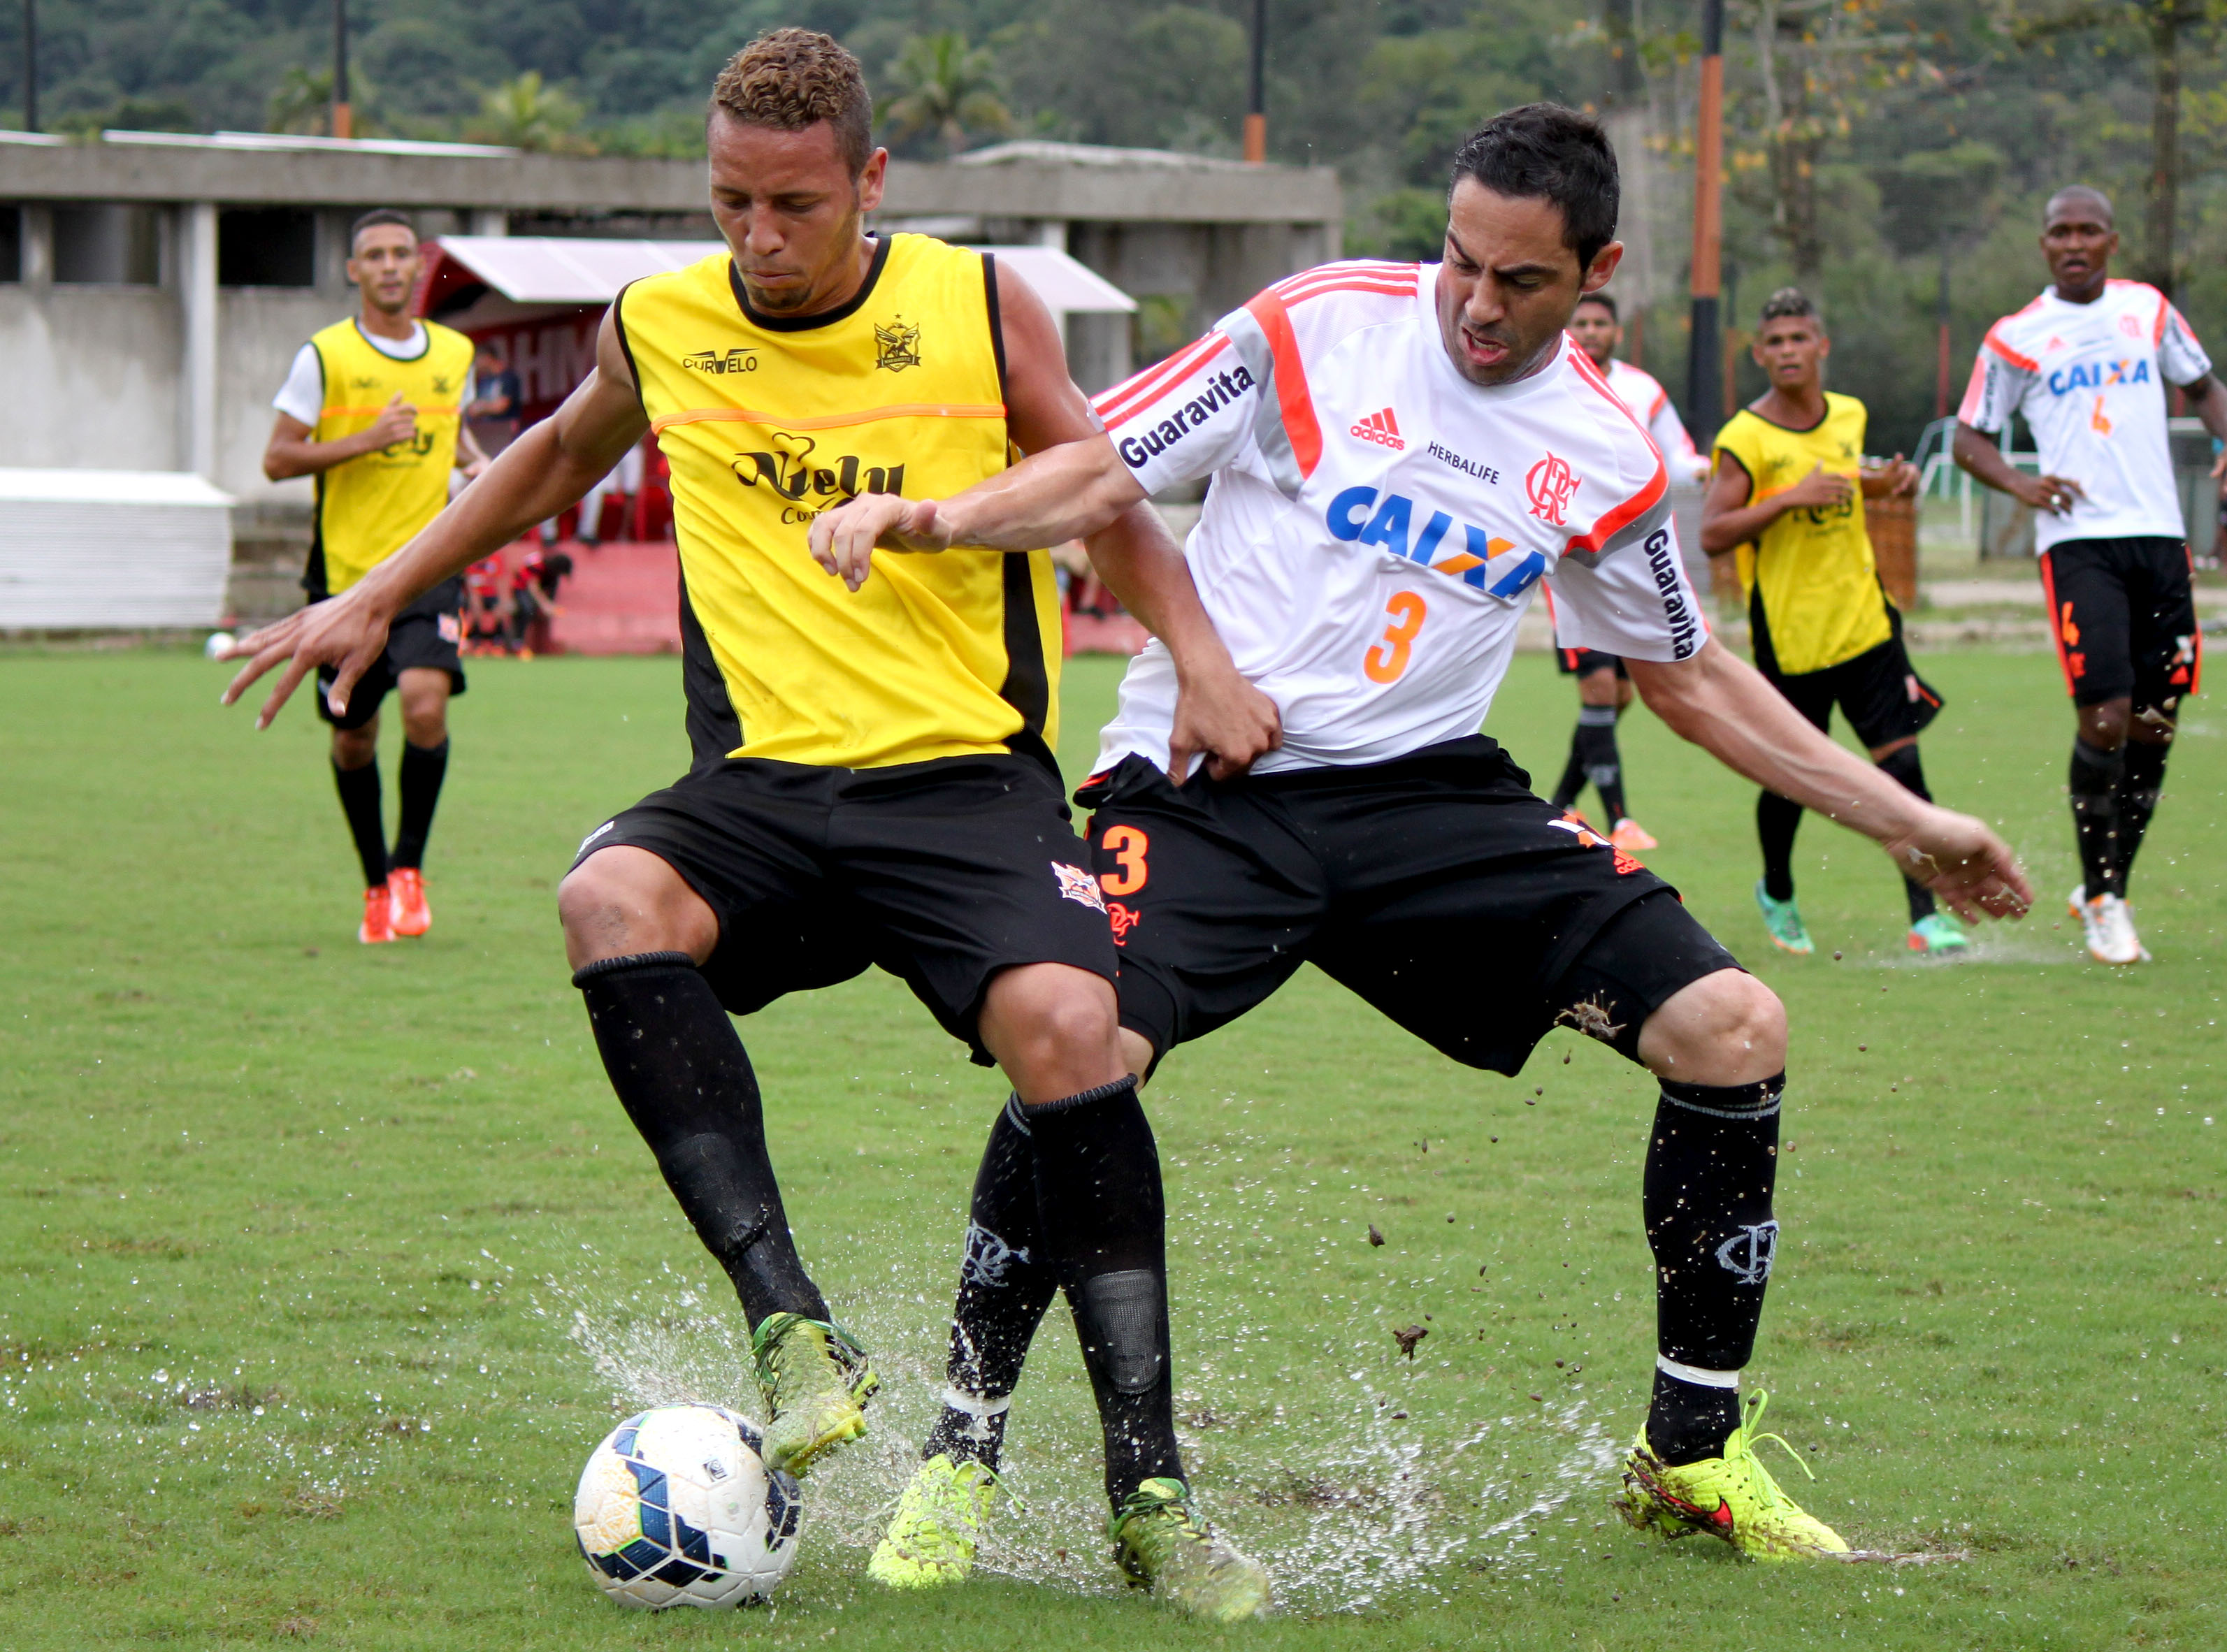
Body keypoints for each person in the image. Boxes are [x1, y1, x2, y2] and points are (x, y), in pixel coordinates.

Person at [812, 104, 2029, 1577]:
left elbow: (1690, 677)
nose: (1475, 303)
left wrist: (1913, 824)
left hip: (1430, 804)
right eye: (1460, 260)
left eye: (1521, 280)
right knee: (1080, 1044)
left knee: (1734, 1028)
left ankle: (1690, 1454)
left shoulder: (1610, 446)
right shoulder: (1314, 324)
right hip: (1207, 783)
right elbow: (1100, 470)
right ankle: (962, 1450)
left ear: (1596, 273)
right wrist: (945, 521)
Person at [220, 29, 1274, 1621]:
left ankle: (1151, 1493)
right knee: (607, 896)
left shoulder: (979, 304)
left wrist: (1198, 655)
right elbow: (551, 460)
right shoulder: (661, 321)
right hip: (763, 787)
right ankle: (792, 1325)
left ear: (871, 180)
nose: (759, 239)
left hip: (964, 778)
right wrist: (374, 592)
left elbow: (1094, 479)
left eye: (794, 205)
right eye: (731, 203)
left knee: (1074, 1031)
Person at [1952, 185, 2227, 964]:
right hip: (2080, 545)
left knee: (2155, 721)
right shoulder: (2015, 337)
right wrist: (2021, 484)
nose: (2074, 244)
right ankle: (2106, 899)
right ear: (2043, 245)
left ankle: (2107, 883)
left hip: (2161, 539)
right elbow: (1970, 438)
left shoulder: (2148, 310)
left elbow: (2204, 387)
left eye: (2088, 231)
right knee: (2105, 718)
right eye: (2060, 232)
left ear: (2112, 241)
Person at [1701, 289, 1968, 957]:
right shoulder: (1744, 438)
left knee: (1904, 772)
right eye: (1776, 342)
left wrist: (1887, 484)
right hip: (1792, 640)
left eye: (1800, 338)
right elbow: (1712, 533)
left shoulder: (1850, 413)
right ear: (1759, 355)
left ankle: (1926, 916)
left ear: (1822, 347)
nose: (1788, 351)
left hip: (1866, 625)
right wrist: (1789, 499)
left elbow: (1845, 480)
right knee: (1792, 780)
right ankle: (1778, 891)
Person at [262, 210, 491, 945]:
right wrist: (367, 439)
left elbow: (448, 431)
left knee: (426, 706)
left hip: (426, 567)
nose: (390, 266)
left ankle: (408, 871)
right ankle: (374, 886)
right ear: (354, 271)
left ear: (419, 266)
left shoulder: (455, 352)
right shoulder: (324, 356)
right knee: (354, 739)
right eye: (375, 256)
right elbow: (277, 458)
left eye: (401, 254)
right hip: (345, 582)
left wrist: (478, 465)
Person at [1547, 291, 1710, 850]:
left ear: (1617, 332)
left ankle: (1559, 805)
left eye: (1601, 323)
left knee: (1619, 697)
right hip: (1572, 567)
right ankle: (1620, 822)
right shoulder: (1545, 384)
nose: (1591, 331)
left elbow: (1677, 458)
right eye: (1582, 322)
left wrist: (1710, 469)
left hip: (1632, 568)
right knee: (1598, 691)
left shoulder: (1643, 390)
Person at [465, 338, 523, 455]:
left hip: (506, 430)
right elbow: (473, 407)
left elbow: (502, 406)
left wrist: (481, 407)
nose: (476, 364)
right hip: (489, 432)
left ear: (487, 358)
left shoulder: (508, 377)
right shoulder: (485, 380)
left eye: (477, 359)